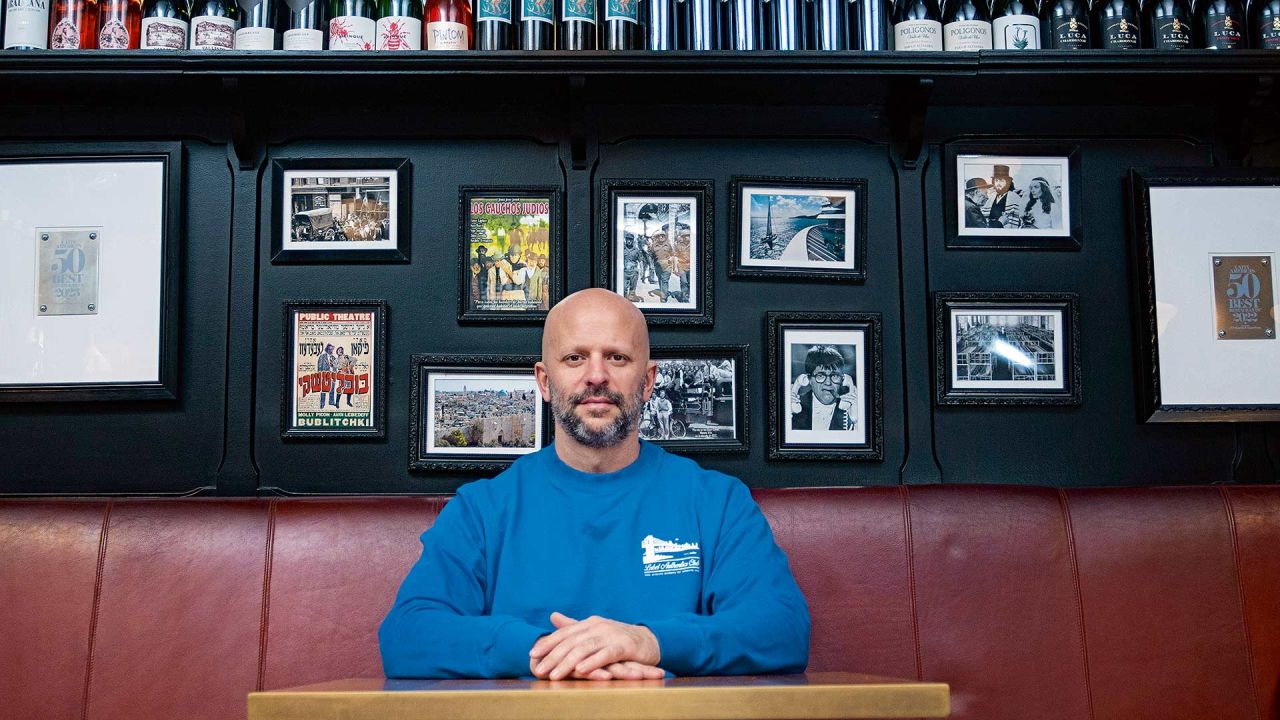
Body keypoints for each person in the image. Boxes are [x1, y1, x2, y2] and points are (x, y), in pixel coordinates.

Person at [380, 288, 810, 680]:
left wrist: (650, 642)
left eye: (617, 358)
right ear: (545, 383)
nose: (597, 375)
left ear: (647, 381)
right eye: (575, 358)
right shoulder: (481, 509)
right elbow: (407, 635)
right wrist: (546, 652)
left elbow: (781, 626)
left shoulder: (717, 502)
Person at [789, 345, 857, 432]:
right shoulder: (795, 407)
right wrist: (786, 415)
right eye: (820, 376)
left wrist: (857, 422)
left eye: (834, 375)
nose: (828, 383)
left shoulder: (848, 409)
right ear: (808, 379)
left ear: (843, 380)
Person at [985, 165, 1024, 229]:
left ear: (1008, 182)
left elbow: (1018, 220)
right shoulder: (991, 198)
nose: (998, 184)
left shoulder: (1015, 198)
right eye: (996, 181)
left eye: (1001, 181)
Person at [317, 343, 337, 409]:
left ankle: (331, 401)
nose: (330, 351)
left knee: (332, 389)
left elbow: (335, 367)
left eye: (331, 349)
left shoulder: (334, 358)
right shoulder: (322, 357)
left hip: (332, 375)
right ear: (326, 349)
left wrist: (335, 374)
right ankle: (322, 403)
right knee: (324, 390)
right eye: (329, 349)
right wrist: (320, 375)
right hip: (325, 375)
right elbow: (319, 367)